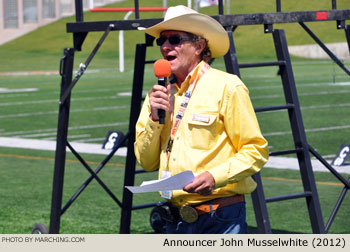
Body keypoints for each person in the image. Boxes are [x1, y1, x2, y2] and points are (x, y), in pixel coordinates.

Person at [134, 5, 269, 234]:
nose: (165, 46)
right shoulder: (158, 95)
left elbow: (256, 151)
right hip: (173, 217)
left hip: (220, 217)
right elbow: (146, 163)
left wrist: (214, 177)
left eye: (174, 39)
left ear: (199, 46)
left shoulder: (227, 86)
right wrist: (154, 121)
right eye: (161, 41)